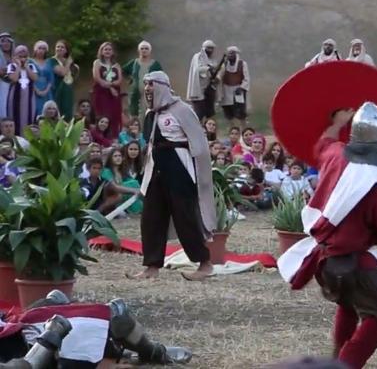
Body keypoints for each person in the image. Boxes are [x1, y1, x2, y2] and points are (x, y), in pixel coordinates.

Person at [277, 105, 377, 369]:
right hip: (353, 263)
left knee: (349, 302)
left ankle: (335, 359)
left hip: (328, 262)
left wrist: (337, 122)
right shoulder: (376, 181)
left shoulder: (335, 154)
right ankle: (343, 366)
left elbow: (324, 142)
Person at [131, 71, 217, 281]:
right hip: (156, 168)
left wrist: (200, 175)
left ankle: (204, 263)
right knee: (151, 217)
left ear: (161, 85)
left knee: (185, 216)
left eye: (151, 85)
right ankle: (151, 265)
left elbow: (199, 144)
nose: (148, 90)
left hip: (178, 168)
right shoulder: (151, 114)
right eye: (145, 85)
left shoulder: (183, 110)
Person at [0, 291, 192, 367]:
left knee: (55, 299)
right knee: (116, 316)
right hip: (29, 350)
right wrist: (50, 337)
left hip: (14, 331)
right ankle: (154, 352)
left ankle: (131, 352)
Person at [122, 40, 163, 118]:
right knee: (134, 115)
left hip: (150, 94)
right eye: (142, 48)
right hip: (135, 94)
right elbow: (123, 71)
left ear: (150, 51)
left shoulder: (155, 64)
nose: (144, 50)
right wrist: (129, 80)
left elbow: (162, 77)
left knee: (148, 114)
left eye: (146, 48)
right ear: (139, 50)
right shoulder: (134, 63)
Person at [92, 42, 123, 139]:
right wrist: (110, 88)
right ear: (101, 51)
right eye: (105, 49)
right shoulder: (97, 63)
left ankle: (113, 137)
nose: (107, 51)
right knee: (103, 115)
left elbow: (119, 80)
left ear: (113, 52)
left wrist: (112, 85)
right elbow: (97, 78)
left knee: (114, 115)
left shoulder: (116, 65)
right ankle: (101, 138)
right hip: (101, 94)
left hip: (114, 95)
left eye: (109, 49)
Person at [6, 45, 38, 135]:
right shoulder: (11, 66)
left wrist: (26, 66)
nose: (22, 59)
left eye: (25, 56)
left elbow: (35, 78)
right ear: (15, 57)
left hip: (29, 97)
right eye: (20, 56)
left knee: (29, 116)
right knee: (15, 115)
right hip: (15, 97)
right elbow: (14, 78)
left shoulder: (31, 66)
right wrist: (19, 66)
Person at [101, 147, 142, 216]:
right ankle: (137, 211)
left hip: (123, 198)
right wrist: (135, 190)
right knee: (132, 184)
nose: (118, 158)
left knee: (134, 182)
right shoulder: (106, 171)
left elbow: (134, 183)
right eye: (115, 156)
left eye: (120, 156)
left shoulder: (123, 172)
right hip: (112, 200)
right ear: (110, 158)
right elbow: (115, 187)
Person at [217, 46, 250, 128]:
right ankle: (232, 131)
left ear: (236, 54)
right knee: (228, 113)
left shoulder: (242, 64)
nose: (231, 55)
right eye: (229, 53)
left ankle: (244, 131)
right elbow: (219, 76)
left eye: (232, 53)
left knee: (240, 113)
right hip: (226, 91)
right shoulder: (224, 64)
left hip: (238, 91)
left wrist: (242, 88)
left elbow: (246, 78)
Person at [187, 40, 221, 121]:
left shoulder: (212, 60)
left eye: (212, 48)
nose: (210, 50)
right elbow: (197, 70)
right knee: (199, 114)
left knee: (210, 114)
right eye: (208, 48)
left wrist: (216, 78)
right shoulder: (197, 57)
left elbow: (216, 73)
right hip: (198, 90)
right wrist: (208, 68)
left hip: (209, 91)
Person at [48, 39, 79, 121]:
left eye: (62, 47)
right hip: (57, 91)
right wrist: (68, 63)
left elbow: (74, 75)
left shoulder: (69, 62)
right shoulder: (52, 61)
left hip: (68, 91)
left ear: (66, 50)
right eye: (58, 47)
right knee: (58, 113)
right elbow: (62, 72)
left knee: (68, 114)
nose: (60, 49)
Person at [30, 41, 54, 117]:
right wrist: (36, 90)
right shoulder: (30, 61)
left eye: (43, 49)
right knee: (35, 109)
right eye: (39, 48)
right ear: (35, 50)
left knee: (47, 109)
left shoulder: (49, 62)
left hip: (46, 90)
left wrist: (46, 90)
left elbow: (51, 78)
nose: (41, 50)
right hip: (34, 88)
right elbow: (29, 77)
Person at [0, 32, 15, 119]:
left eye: (8, 41)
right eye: (3, 41)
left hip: (13, 85)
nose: (6, 44)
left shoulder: (15, 55)